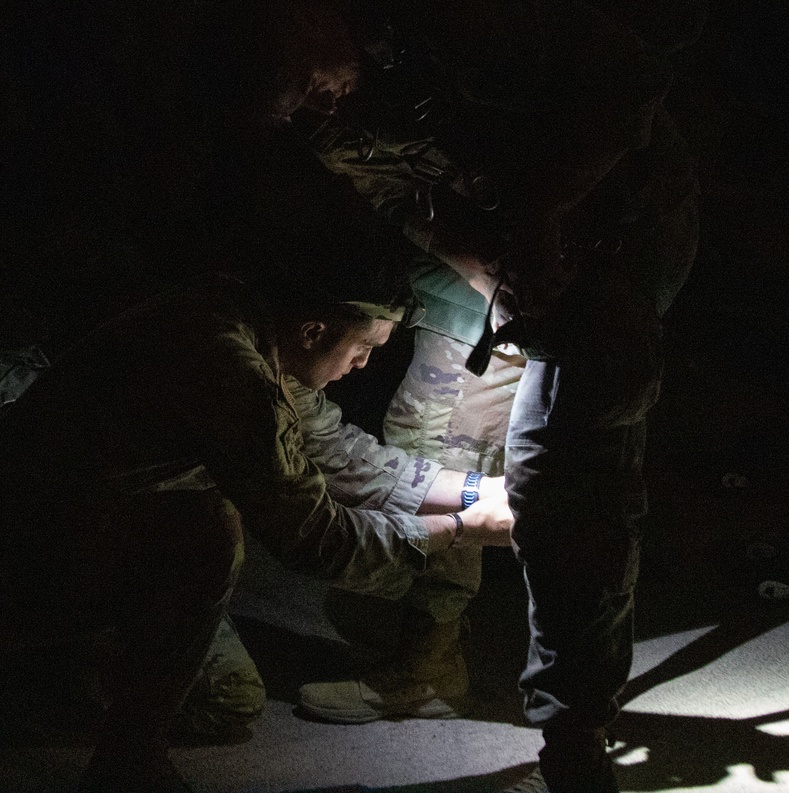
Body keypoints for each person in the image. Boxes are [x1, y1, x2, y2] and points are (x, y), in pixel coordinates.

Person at [280, 2, 705, 790]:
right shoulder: (321, 108)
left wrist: (545, 218)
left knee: (565, 482)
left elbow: (626, 80)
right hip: (497, 264)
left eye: (297, 74)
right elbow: (398, 197)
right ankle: (432, 663)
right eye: (291, 101)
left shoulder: (465, 25)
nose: (306, 101)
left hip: (616, 238)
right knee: (435, 440)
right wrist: (488, 265)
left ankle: (572, 733)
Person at [0, 264, 514, 792]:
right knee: (211, 576)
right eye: (363, 346)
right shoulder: (231, 368)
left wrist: (477, 492)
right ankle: (65, 695)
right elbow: (316, 538)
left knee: (199, 532)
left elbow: (334, 451)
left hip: (89, 516)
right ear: (314, 330)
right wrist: (461, 527)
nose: (363, 365)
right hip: (38, 544)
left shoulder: (255, 325)